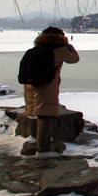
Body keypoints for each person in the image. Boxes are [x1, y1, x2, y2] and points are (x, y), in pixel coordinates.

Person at [24, 26, 80, 156]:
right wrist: (69, 46)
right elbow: (74, 59)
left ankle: (39, 141)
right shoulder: (60, 50)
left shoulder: (36, 48)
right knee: (46, 114)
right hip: (47, 86)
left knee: (39, 112)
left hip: (31, 85)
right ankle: (43, 147)